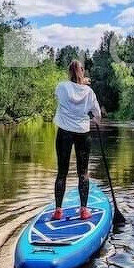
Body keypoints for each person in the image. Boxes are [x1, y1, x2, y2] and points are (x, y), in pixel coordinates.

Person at [51, 60, 102, 221]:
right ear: (82, 72)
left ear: (69, 73)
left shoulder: (62, 86)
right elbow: (98, 115)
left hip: (64, 132)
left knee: (62, 173)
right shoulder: (89, 92)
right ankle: (84, 210)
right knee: (83, 173)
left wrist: (79, 83)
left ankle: (58, 211)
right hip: (82, 133)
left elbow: (61, 92)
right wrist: (95, 120)